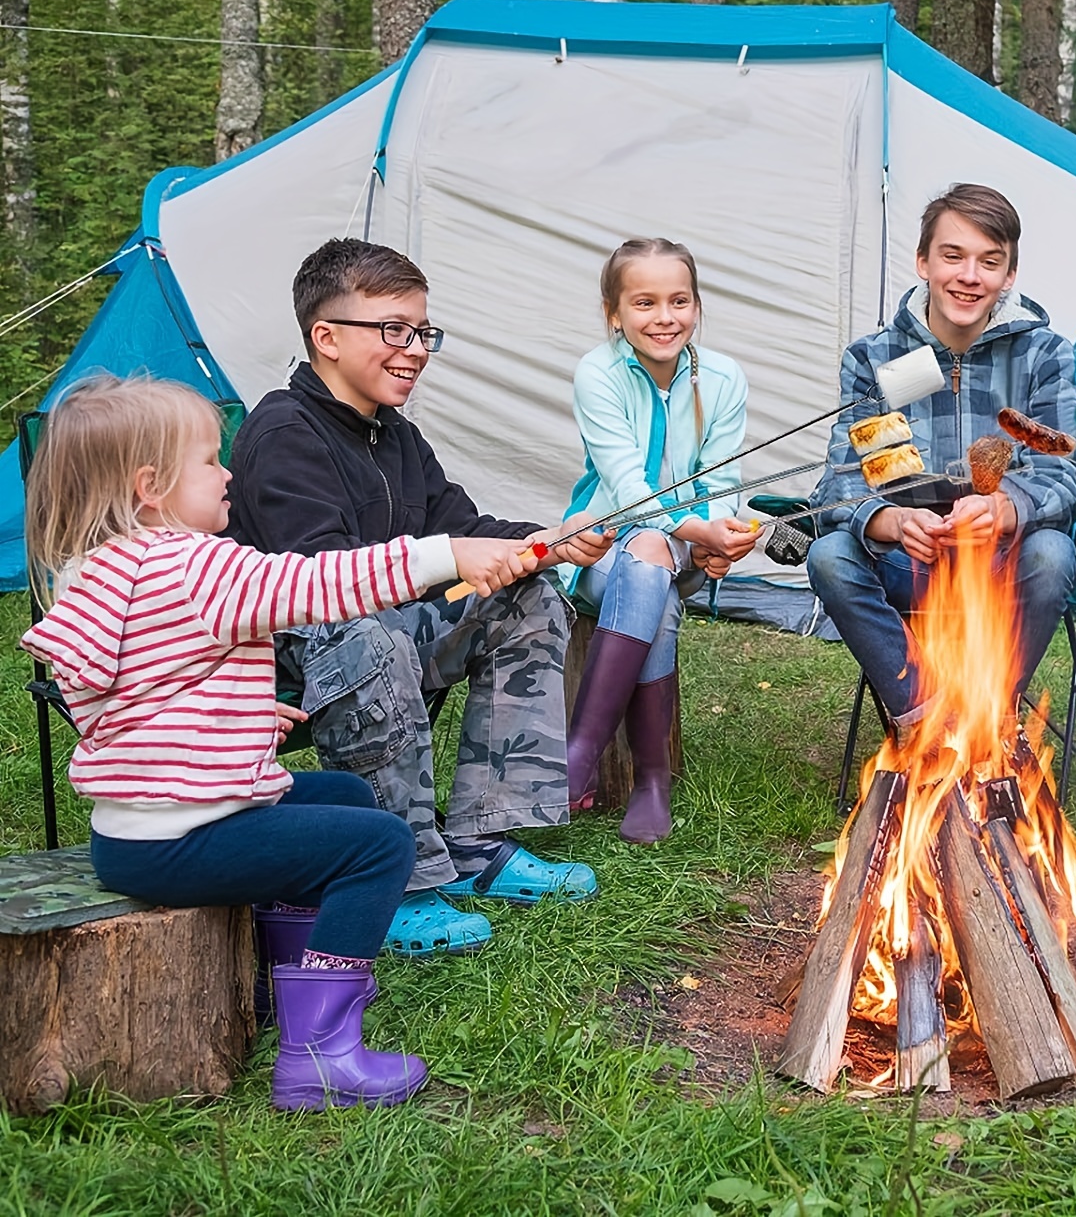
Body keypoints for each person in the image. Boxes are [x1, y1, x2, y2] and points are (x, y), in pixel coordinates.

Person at [20, 376, 534, 1109]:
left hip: (127, 835)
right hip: (187, 836)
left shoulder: (97, 572)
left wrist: (237, 715)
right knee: (381, 843)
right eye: (208, 460)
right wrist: (449, 553)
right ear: (150, 487)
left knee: (343, 795)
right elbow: (323, 583)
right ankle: (320, 1055)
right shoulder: (196, 565)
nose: (228, 473)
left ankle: (276, 984)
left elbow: (121, 699)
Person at [227, 239, 612, 959]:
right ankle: (400, 872)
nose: (415, 350)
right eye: (393, 330)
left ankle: (476, 840)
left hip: (375, 635)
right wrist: (446, 559)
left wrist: (551, 540)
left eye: (422, 332)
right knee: (364, 634)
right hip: (284, 662)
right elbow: (319, 585)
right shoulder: (283, 431)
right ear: (327, 337)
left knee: (527, 599)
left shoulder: (394, 435)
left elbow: (463, 528)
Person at [806, 183, 1076, 718]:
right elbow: (841, 477)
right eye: (952, 256)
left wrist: (1004, 509)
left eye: (989, 261)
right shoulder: (875, 359)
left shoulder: (1043, 355)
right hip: (909, 562)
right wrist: (888, 520)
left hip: (1003, 562)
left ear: (1010, 274)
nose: (969, 276)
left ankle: (989, 712)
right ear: (922, 261)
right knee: (829, 558)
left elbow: (1061, 470)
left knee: (1053, 555)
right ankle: (927, 715)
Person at [564, 238, 756, 843]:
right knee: (648, 558)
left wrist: (717, 538)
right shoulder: (598, 373)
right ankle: (647, 778)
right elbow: (627, 488)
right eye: (644, 302)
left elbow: (723, 479)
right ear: (613, 313)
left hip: (684, 550)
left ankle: (579, 756)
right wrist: (691, 530)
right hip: (603, 545)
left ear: (697, 306)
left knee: (658, 553)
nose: (664, 317)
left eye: (679, 300)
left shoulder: (724, 378)